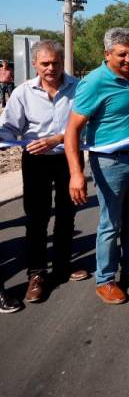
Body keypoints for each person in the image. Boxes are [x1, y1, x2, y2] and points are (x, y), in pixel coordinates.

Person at [65, 28, 129, 305]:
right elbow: (72, 130)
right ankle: (105, 279)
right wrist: (76, 173)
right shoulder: (94, 82)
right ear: (107, 54)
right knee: (111, 223)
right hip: (110, 163)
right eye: (122, 54)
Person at [0, 40, 89, 303]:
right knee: (36, 218)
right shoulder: (22, 92)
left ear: (63, 62)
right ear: (35, 64)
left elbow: (85, 127)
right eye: (45, 63)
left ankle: (63, 266)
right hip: (35, 160)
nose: (51, 68)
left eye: (56, 63)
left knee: (67, 213)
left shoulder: (79, 89)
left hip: (69, 158)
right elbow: (10, 128)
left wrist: (56, 139)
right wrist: (4, 140)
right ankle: (36, 274)